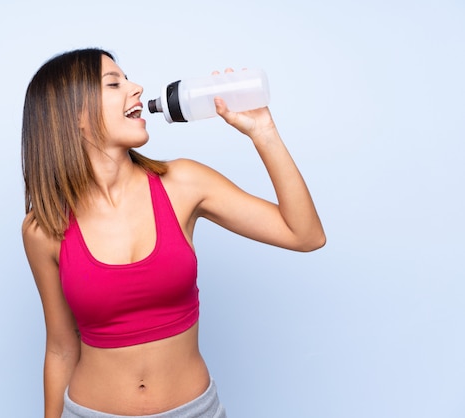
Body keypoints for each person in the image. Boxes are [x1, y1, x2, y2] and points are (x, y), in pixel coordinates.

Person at [21, 48, 325, 418]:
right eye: (114, 84)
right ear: (73, 115)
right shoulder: (45, 227)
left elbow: (305, 235)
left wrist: (264, 132)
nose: (136, 88)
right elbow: (61, 349)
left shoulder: (182, 183)